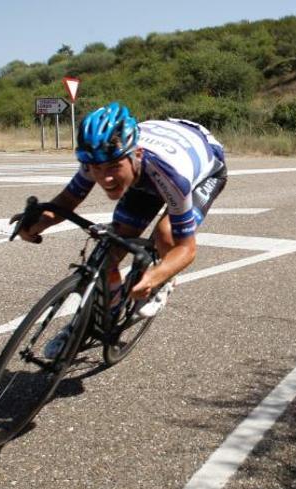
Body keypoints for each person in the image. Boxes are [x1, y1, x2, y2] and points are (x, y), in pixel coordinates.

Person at [12, 102, 227, 358]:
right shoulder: (99, 157)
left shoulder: (169, 174)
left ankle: (163, 283)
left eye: (113, 167)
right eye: (97, 169)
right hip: (146, 165)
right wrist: (37, 223)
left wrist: (157, 276)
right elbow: (67, 202)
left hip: (204, 165)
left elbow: (187, 248)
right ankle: (85, 325)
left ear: (135, 153)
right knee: (112, 247)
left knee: (167, 234)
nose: (105, 178)